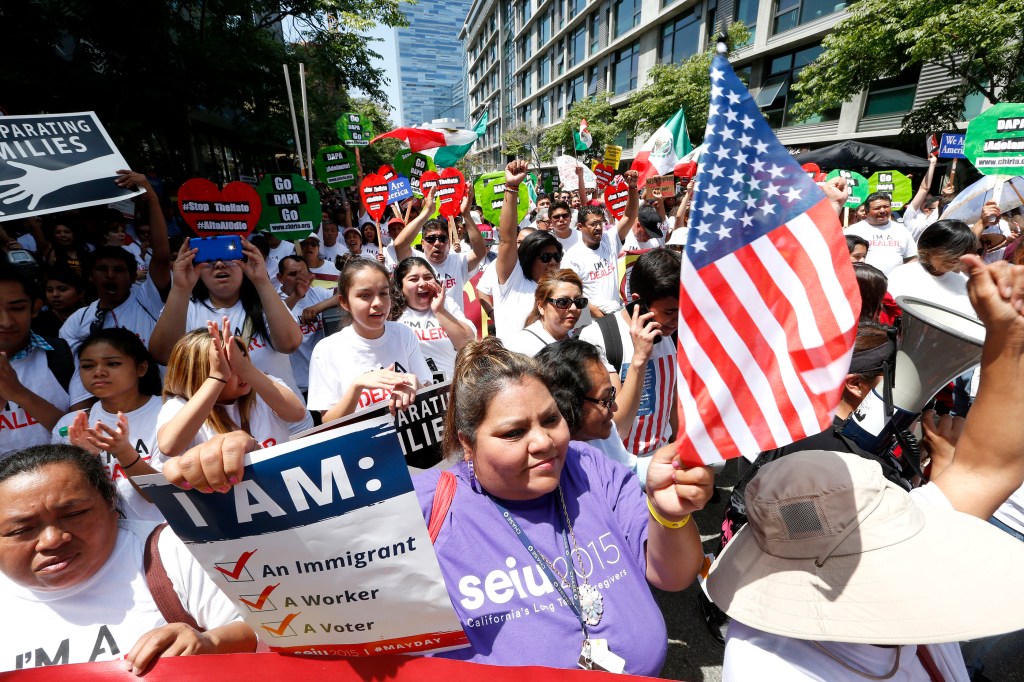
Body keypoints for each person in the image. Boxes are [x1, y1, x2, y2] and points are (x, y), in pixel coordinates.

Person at [160, 337, 714, 675]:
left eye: (550, 419)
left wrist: (670, 512)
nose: (543, 441)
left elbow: (674, 573)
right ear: (467, 444)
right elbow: (307, 587)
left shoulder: (591, 468)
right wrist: (244, 471)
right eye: (513, 431)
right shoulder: (423, 505)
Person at [707, 254, 1024, 681]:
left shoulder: (882, 532)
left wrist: (1010, 333)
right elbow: (985, 469)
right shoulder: (770, 668)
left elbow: (986, 467)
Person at [0, 444, 255, 673]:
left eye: (74, 514)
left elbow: (271, 629)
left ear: (110, 501)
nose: (52, 540)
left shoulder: (171, 550)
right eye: (21, 530)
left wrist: (210, 643)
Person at [149, 239, 305, 398]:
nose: (219, 265)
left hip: (282, 417)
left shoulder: (267, 302)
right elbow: (163, 355)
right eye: (209, 259)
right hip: (216, 420)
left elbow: (290, 344)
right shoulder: (184, 308)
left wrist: (262, 281)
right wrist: (180, 289)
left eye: (228, 258)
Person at [51, 329, 165, 522]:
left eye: (113, 363)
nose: (99, 372)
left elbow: (161, 496)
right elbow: (64, 498)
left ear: (141, 368)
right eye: (88, 366)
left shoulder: (170, 413)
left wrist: (124, 453)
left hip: (159, 539)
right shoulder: (70, 424)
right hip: (102, 539)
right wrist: (86, 460)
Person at [157, 321, 308, 459]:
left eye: (241, 358)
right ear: (200, 376)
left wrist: (245, 368)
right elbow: (169, 446)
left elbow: (296, 413)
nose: (239, 371)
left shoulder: (264, 387)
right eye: (228, 366)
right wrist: (218, 377)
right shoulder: (179, 406)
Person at [579, 248, 678, 455]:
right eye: (670, 312)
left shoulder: (674, 334)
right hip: (620, 466)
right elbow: (618, 427)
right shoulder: (598, 337)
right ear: (638, 301)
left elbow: (674, 399)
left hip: (663, 455)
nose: (678, 320)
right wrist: (639, 359)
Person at [306, 258, 432, 421]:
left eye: (383, 293)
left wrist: (415, 385)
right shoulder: (326, 350)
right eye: (365, 295)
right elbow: (328, 421)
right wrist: (357, 386)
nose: (378, 303)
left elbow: (429, 395)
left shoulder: (404, 334)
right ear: (344, 302)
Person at [60, 173, 172, 354]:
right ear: (90, 276)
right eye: (102, 269)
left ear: (133, 276)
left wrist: (151, 197)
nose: (110, 275)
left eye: (119, 270)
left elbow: (161, 256)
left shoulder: (148, 300)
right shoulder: (78, 321)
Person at [0, 266, 84, 455]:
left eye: (17, 308)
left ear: (35, 308)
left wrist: (19, 393)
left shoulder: (66, 354)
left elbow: (82, 437)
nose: (6, 321)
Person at [491, 160, 572, 338]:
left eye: (556, 256)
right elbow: (507, 239)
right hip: (515, 365)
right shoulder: (514, 281)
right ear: (529, 257)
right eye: (545, 257)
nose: (552, 262)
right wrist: (512, 186)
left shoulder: (565, 288)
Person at [393, 191, 487, 315]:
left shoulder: (458, 261)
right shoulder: (414, 261)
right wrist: (427, 212)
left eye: (442, 239)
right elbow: (399, 245)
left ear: (448, 243)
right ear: (422, 243)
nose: (437, 243)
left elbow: (480, 252)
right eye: (431, 239)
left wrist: (466, 215)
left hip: (453, 328)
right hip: (424, 331)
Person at [564, 167, 640, 316]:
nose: (598, 227)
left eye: (600, 223)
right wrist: (599, 315)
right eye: (593, 224)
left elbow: (630, 216)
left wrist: (632, 187)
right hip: (593, 320)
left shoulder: (610, 240)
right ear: (580, 227)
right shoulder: (572, 257)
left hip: (617, 312)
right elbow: (573, 293)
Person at [390, 256, 475, 384]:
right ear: (400, 286)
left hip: (455, 388)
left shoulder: (448, 304)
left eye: (428, 277)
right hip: (419, 396)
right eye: (413, 279)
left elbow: (467, 343)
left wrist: (440, 310)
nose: (423, 283)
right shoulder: (392, 315)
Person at [886, 219, 977, 317]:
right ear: (929, 246)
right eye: (951, 252)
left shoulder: (963, 282)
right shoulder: (902, 275)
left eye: (962, 253)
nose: (955, 259)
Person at [277, 256, 335, 399]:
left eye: (302, 274)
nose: (298, 278)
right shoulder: (273, 301)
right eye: (292, 274)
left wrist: (318, 307)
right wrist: (296, 296)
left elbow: (345, 294)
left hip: (325, 380)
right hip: (297, 387)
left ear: (310, 276)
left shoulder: (318, 293)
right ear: (280, 278)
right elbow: (274, 320)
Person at [504, 269, 585, 357]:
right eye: (563, 302)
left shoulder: (582, 338)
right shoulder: (521, 348)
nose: (573, 308)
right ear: (541, 306)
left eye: (579, 301)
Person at [844, 192, 917, 275]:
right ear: (866, 211)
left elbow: (911, 258)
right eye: (877, 208)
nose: (882, 210)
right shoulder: (852, 231)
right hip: (862, 281)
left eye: (886, 207)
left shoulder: (902, 230)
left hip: (893, 284)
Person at [31, 266, 85, 337]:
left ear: (81, 293)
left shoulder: (92, 316)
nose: (55, 295)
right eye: (50, 290)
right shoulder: (39, 322)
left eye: (62, 289)